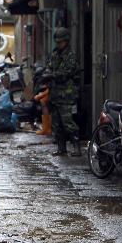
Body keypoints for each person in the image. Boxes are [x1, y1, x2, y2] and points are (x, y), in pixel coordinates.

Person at [47, 27, 81, 156]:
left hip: (67, 95)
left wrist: (52, 75)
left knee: (68, 123)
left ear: (66, 41)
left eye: (61, 42)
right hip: (55, 94)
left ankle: (76, 147)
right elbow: (49, 66)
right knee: (57, 124)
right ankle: (61, 148)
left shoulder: (71, 56)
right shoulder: (55, 54)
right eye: (57, 42)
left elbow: (67, 72)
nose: (59, 44)